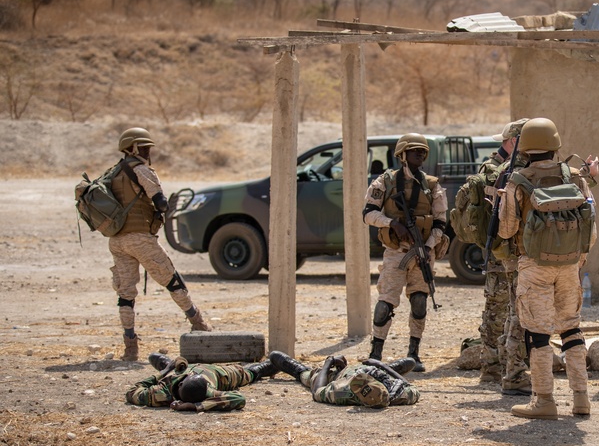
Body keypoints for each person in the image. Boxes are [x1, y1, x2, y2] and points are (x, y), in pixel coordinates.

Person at [497, 117, 596, 418]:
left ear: (525, 147)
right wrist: (578, 258)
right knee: (572, 329)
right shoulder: (576, 176)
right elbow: (591, 225)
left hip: (534, 265)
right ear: (555, 144)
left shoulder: (518, 181)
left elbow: (505, 230)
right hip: (569, 265)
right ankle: (581, 399)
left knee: (538, 335)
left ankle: (544, 401)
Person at [106, 128, 212, 363]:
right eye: (143, 148)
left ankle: (130, 347)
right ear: (132, 149)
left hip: (117, 241)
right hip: (140, 239)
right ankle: (198, 323)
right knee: (172, 280)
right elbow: (161, 202)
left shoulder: (112, 174)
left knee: (125, 294)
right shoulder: (142, 171)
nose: (147, 152)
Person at [362, 133, 449, 371]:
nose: (420, 155)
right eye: (414, 151)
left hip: (423, 252)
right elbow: (368, 214)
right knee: (386, 303)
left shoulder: (432, 185)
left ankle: (414, 354)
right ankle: (376, 352)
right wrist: (393, 224)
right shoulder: (386, 182)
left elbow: (441, 221)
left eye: (423, 151)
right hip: (396, 251)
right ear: (402, 155)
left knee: (419, 301)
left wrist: (429, 246)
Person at [477, 118, 531, 394]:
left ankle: (501, 367)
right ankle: (497, 367)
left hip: (505, 249)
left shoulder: (506, 168)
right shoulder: (503, 170)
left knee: (505, 311)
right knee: (502, 312)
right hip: (504, 249)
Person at [125, 353, 275, 412]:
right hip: (216, 372)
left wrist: (165, 371)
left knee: (156, 357)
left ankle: (166, 364)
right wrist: (196, 406)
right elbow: (238, 399)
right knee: (249, 373)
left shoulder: (160, 393)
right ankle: (272, 364)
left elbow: (133, 391)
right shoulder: (207, 391)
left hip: (176, 370)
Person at [269, 351, 420, 408]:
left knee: (307, 375)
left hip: (338, 376)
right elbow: (409, 386)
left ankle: (297, 370)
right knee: (410, 362)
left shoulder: (343, 393)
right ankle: (386, 368)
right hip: (378, 370)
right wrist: (380, 366)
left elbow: (317, 391)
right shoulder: (398, 394)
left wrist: (328, 363)